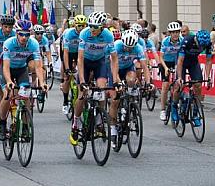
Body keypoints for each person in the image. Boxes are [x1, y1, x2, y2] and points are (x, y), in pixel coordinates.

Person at [70, 11, 120, 145]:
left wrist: (115, 79)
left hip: (99, 62)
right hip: (85, 63)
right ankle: (75, 123)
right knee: (82, 94)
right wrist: (82, 81)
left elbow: (114, 59)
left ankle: (99, 121)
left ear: (102, 27)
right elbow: (80, 59)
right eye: (90, 26)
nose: (92, 29)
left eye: (95, 27)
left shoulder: (108, 36)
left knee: (102, 89)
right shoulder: (84, 33)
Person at [0, 19, 47, 140]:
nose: (24, 37)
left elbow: (38, 66)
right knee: (8, 95)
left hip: (21, 70)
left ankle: (25, 126)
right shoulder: (9, 43)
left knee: (25, 96)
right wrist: (9, 81)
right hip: (8, 69)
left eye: (27, 34)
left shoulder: (34, 44)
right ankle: (2, 124)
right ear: (16, 33)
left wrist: (42, 82)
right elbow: (5, 66)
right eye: (21, 34)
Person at [109, 30, 150, 146]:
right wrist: (117, 81)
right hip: (114, 69)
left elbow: (144, 67)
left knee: (131, 80)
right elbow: (113, 66)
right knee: (115, 99)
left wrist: (147, 82)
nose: (128, 49)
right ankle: (113, 130)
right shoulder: (116, 46)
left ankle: (130, 102)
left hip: (127, 68)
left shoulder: (138, 48)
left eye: (130, 47)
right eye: (126, 47)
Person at [172, 29, 213, 125]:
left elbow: (208, 61)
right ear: (196, 39)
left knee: (198, 85)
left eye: (203, 46)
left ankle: (195, 113)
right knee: (179, 85)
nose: (201, 47)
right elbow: (180, 61)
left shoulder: (207, 43)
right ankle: (174, 106)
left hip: (193, 62)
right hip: (181, 61)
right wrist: (179, 78)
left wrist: (208, 77)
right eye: (200, 45)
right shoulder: (187, 41)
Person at [60, 14, 87, 115]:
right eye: (79, 25)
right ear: (75, 25)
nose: (81, 28)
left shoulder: (86, 33)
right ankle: (65, 101)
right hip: (70, 53)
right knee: (68, 77)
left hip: (80, 53)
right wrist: (67, 68)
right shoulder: (69, 34)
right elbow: (65, 53)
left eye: (83, 25)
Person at [157, 22, 183, 121]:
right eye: (173, 32)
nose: (175, 34)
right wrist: (166, 68)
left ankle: (175, 102)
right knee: (165, 85)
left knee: (178, 83)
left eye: (177, 32)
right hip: (166, 63)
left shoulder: (182, 41)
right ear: (170, 33)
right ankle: (163, 110)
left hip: (177, 62)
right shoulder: (165, 42)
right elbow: (161, 57)